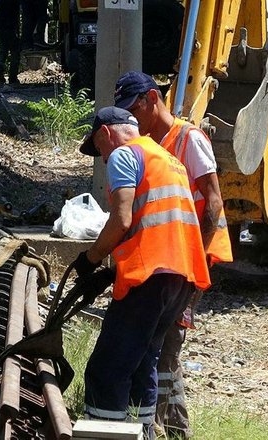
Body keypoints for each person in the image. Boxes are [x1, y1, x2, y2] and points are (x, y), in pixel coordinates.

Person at [73, 106, 211, 440]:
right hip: (182, 279)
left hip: (151, 275)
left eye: (100, 150)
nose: (104, 159)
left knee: (107, 370)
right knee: (142, 364)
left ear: (106, 134)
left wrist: (89, 260)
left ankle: (103, 435)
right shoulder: (167, 159)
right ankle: (144, 432)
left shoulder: (124, 155)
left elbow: (121, 219)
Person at [114, 71, 234, 439]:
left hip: (192, 257)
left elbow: (213, 202)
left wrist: (194, 261)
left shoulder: (189, 138)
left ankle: (168, 428)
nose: (133, 120)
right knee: (163, 344)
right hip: (173, 258)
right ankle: (171, 427)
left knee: (166, 344)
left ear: (152, 98)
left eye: (135, 109)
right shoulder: (151, 141)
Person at [0, 0, 21, 84]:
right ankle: (13, 78)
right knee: (15, 53)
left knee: (3, 51)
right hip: (12, 27)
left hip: (0, 27)